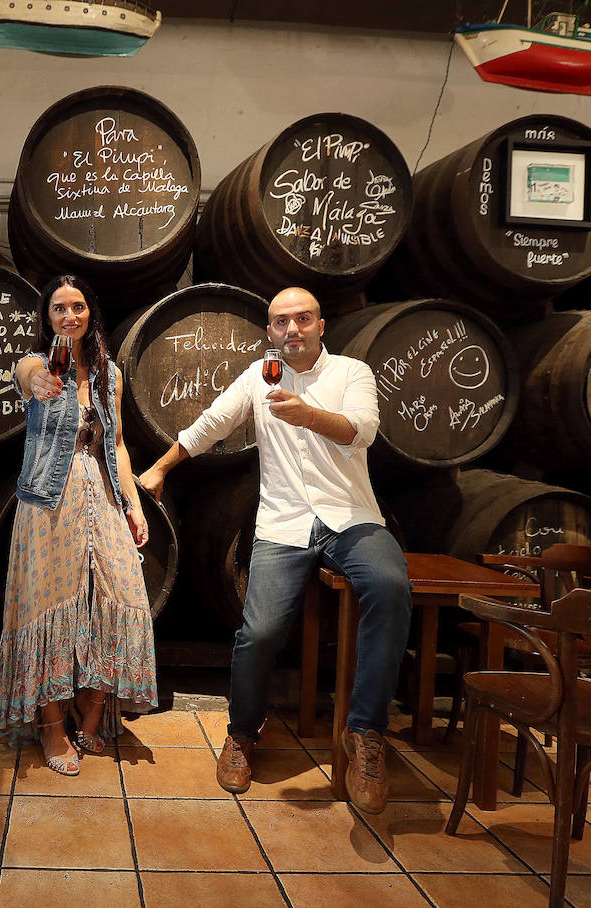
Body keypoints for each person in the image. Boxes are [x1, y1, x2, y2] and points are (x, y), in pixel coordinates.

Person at [138, 287, 411, 814]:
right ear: (269, 332)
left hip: (349, 516)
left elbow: (363, 432)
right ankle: (241, 734)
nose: (292, 330)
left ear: (321, 324)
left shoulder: (352, 374)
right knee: (258, 630)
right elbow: (213, 423)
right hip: (283, 523)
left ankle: (366, 734)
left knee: (391, 587)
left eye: (302, 319)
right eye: (281, 322)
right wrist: (162, 467)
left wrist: (308, 415)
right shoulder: (260, 374)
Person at [0, 274, 159, 775]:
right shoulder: (36, 365)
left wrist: (134, 503)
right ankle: (51, 726)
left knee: (125, 595)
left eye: (78, 306)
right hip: (47, 499)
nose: (69, 316)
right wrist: (37, 384)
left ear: (90, 312)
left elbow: (120, 445)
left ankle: (92, 705)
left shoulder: (110, 373)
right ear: (46, 317)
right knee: (45, 608)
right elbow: (27, 380)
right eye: (59, 308)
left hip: (101, 493)